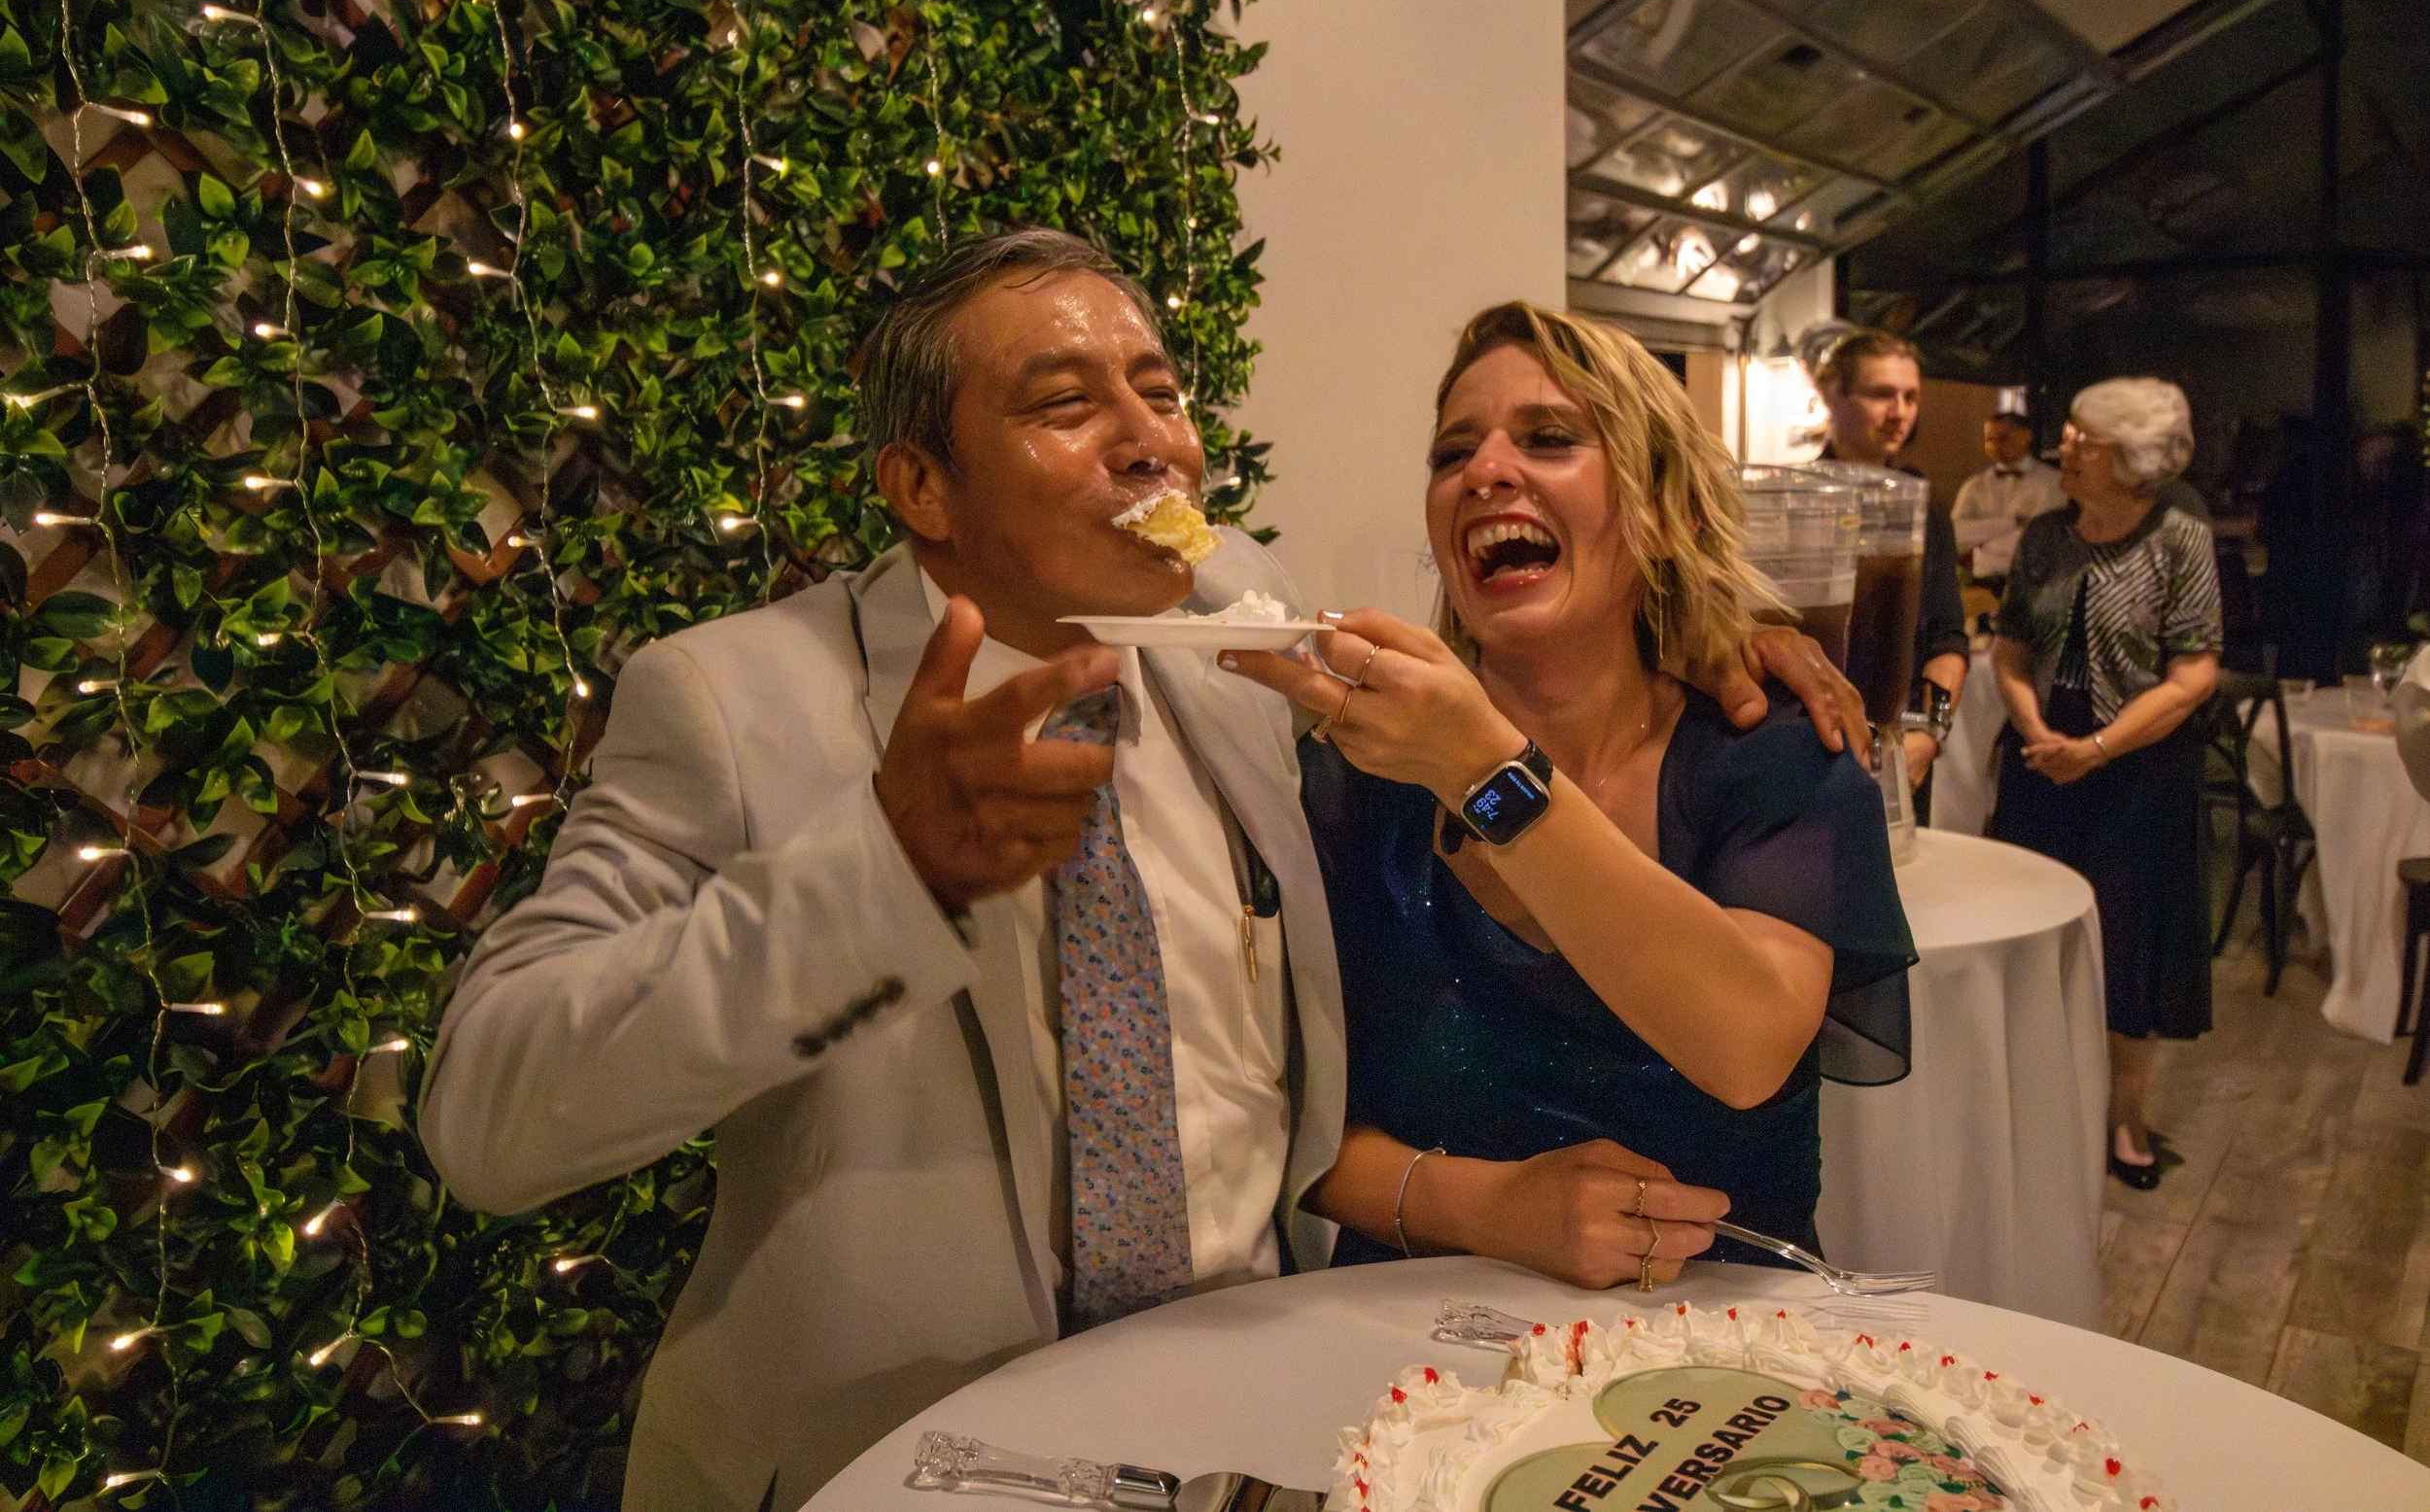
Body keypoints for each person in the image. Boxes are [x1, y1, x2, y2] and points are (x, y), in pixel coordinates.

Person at [416, 232, 1864, 1508]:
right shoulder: (732, 700)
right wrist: (880, 873)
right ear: (921, 484)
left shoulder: (1236, 620)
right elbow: (487, 1108)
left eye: (1162, 395)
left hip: (1260, 1418)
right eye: (1064, 403)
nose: (1151, 444)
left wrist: (1714, 627)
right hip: (908, 1455)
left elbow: (1497, 685)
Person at [1221, 301, 1912, 1289]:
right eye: (1452, 452)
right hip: (1408, 1332)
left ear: (1669, 513)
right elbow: (1273, 1113)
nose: (1484, 471)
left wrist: (1484, 773)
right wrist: (1486, 1208)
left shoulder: (1773, 755)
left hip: (1721, 1343)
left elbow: (1748, 1042)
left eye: (1548, 438)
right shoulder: (1359, 779)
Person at [1985, 378, 2221, 1192]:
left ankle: (2124, 1116)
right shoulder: (2045, 535)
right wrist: (2036, 731)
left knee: (2127, 943)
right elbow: (2009, 650)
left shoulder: (2179, 537)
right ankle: (2039, 1107)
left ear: (2130, 457)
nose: (2065, 445)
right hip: (2042, 758)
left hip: (2140, 770)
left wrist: (2097, 747)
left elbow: (2193, 674)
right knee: (2032, 933)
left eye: (2083, 437)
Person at [1815, 329, 1967, 791]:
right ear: (1832, 394)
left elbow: (1947, 638)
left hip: (1896, 743)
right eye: (1882, 394)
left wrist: (1930, 735)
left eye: (1910, 397)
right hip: (1812, 737)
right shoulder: (1800, 498)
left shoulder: (1925, 507)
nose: (1899, 412)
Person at [1950, 410, 2066, 591]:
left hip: (2034, 586)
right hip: (1979, 586)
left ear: (2026, 437)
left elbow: (2040, 543)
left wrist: (1981, 548)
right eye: (1989, 439)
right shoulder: (1974, 486)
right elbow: (1956, 534)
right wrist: (2012, 523)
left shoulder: (2053, 482)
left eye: (2003, 438)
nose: (1995, 445)